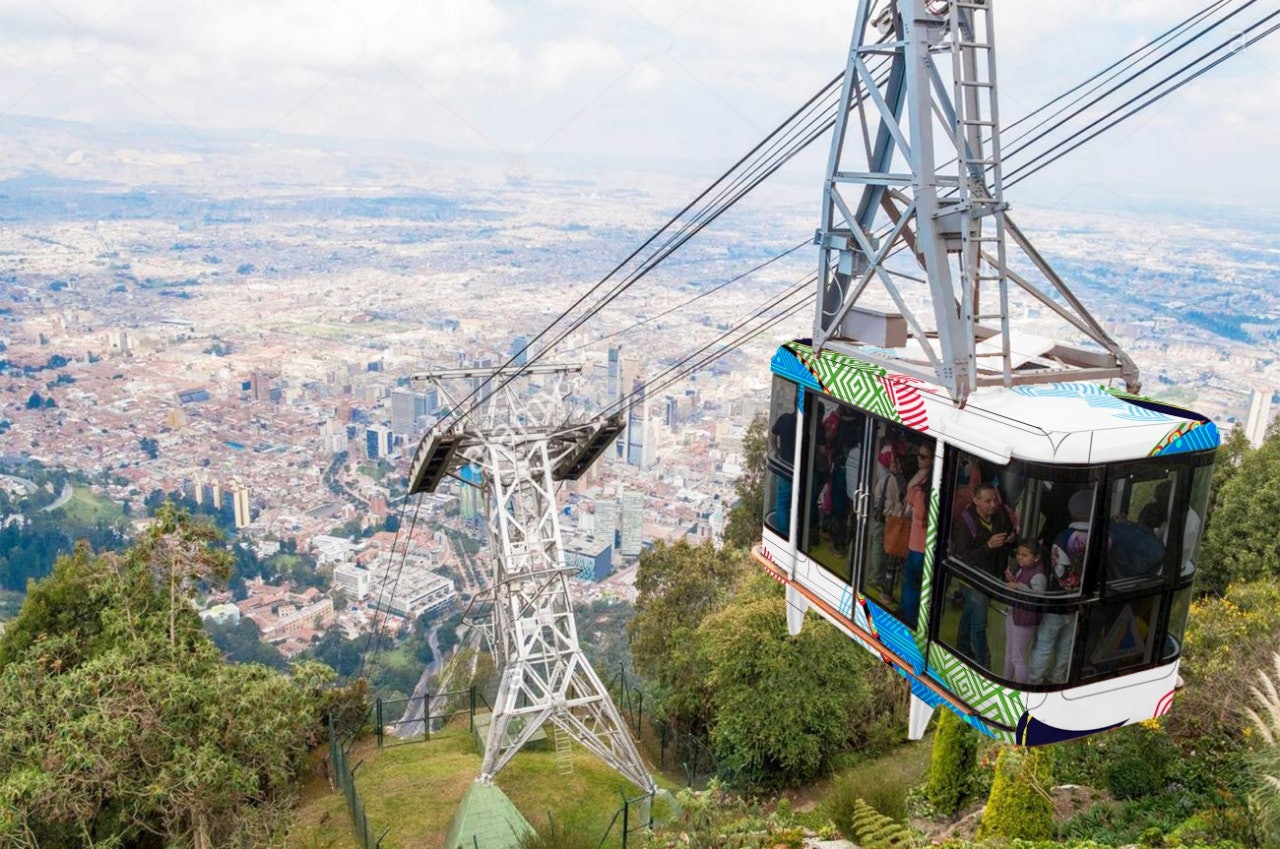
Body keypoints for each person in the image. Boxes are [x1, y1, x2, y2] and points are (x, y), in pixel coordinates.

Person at [949, 482, 1018, 669]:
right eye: (987, 501)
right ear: (976, 501)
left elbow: (1011, 535)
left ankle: (962, 646)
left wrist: (1011, 539)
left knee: (970, 612)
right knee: (979, 624)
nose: (993, 504)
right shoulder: (964, 522)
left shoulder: (1000, 514)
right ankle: (983, 664)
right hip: (974, 580)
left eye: (995, 499)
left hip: (992, 575)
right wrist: (988, 546)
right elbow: (964, 558)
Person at [1028, 489, 1090, 685]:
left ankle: (1034, 680)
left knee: (1045, 642)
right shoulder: (1104, 537)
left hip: (1057, 601)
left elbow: (1059, 572)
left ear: (1071, 511)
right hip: (1080, 603)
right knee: (1066, 644)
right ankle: (1057, 677)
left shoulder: (1063, 537)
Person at [867, 441, 908, 596]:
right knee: (891, 554)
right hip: (896, 522)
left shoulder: (884, 481)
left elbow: (877, 499)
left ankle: (875, 576)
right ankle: (884, 582)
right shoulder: (905, 484)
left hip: (881, 517)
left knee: (877, 546)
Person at [1004, 540, 1047, 684]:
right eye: (1018, 554)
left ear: (1036, 557)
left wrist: (1018, 586)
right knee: (1010, 651)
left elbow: (1038, 597)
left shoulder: (1038, 575)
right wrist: (1014, 580)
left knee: (1018, 656)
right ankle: (1006, 681)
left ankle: (1019, 687)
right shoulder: (1024, 568)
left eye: (1025, 555)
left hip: (1025, 620)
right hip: (1014, 614)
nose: (1020, 557)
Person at [901, 443, 934, 629]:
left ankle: (910, 618)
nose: (918, 459)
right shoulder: (942, 493)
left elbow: (907, 511)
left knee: (911, 583)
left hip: (915, 545)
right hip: (930, 548)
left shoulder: (917, 490)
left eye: (923, 456)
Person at [769, 408, 797, 536]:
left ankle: (782, 533)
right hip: (801, 471)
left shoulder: (785, 419)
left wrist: (777, 451)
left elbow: (773, 435)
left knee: (783, 501)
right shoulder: (809, 424)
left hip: (785, 468)